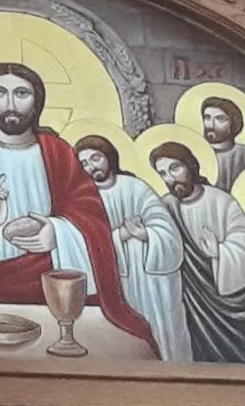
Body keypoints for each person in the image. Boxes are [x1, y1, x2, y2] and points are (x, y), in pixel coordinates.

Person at [0, 62, 154, 348]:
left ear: (37, 100)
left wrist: (56, 233)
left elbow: (91, 217)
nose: (10, 104)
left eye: (21, 93)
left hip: (50, 288)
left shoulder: (58, 153)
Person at [151, 142, 245, 364]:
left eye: (175, 168)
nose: (170, 178)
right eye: (163, 173)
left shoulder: (221, 201)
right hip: (194, 306)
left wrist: (220, 252)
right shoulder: (166, 206)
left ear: (191, 166)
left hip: (230, 305)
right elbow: (158, 241)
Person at [75, 135, 191, 362]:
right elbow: (82, 240)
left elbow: (165, 229)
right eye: (84, 163)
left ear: (109, 157)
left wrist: (145, 234)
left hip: (151, 282)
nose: (91, 167)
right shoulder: (84, 199)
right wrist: (121, 235)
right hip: (115, 280)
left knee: (160, 331)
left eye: (96, 158)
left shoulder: (135, 187)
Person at [201, 97, 245, 190]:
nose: (211, 125)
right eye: (207, 117)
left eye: (220, 119)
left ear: (234, 123)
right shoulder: (198, 152)